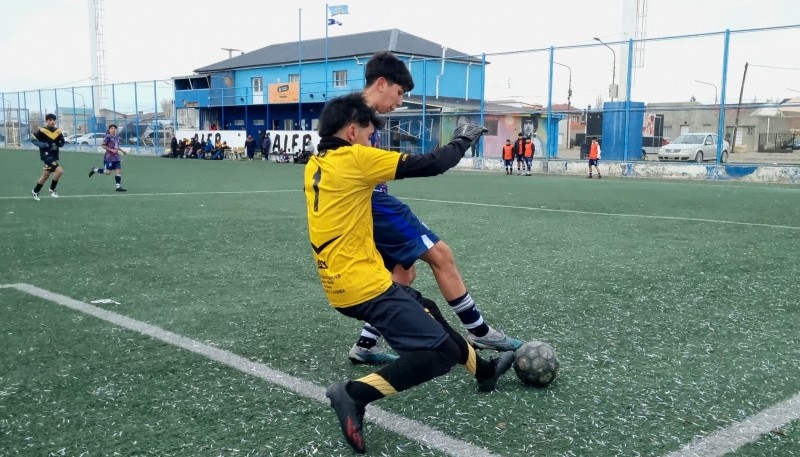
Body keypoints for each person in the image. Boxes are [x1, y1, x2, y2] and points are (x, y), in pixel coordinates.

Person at [307, 93, 513, 454]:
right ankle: (354, 394)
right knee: (436, 355)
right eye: (370, 135)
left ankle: (484, 371)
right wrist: (463, 137)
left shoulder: (316, 162)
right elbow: (432, 163)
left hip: (342, 282)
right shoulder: (354, 157)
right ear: (352, 131)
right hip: (364, 286)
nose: (373, 141)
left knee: (429, 310)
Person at [347, 51, 522, 366]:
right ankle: (478, 331)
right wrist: (458, 144)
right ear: (381, 83)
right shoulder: (355, 117)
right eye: (399, 93)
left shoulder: (357, 114)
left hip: (364, 208)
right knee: (441, 255)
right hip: (374, 206)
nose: (400, 101)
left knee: (403, 272)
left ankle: (364, 345)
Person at [30, 113, 65, 200]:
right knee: (59, 171)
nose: (52, 121)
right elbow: (32, 138)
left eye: (53, 120)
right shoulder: (42, 130)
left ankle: (35, 191)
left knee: (45, 176)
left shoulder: (58, 131)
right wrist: (42, 144)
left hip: (54, 155)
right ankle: (52, 189)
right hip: (46, 155)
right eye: (50, 120)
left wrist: (59, 143)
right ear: (47, 121)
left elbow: (62, 142)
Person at [88, 124, 127, 192]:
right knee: (107, 172)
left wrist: (122, 150)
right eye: (112, 128)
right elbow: (103, 146)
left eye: (114, 128)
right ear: (109, 130)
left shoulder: (117, 137)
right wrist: (111, 150)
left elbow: (116, 146)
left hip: (116, 158)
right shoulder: (107, 137)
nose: (113, 129)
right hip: (109, 158)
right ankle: (95, 170)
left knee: (118, 171)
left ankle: (118, 187)